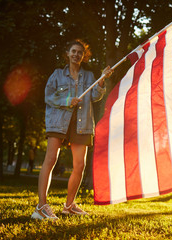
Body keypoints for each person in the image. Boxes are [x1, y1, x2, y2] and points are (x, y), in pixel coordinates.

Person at [31, 39, 113, 220]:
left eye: (80, 53)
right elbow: (48, 96)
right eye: (73, 51)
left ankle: (69, 205)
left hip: (81, 124)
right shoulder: (57, 75)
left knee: (79, 165)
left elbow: (95, 97)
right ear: (67, 54)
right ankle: (41, 206)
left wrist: (101, 81)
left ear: (83, 57)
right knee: (50, 159)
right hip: (58, 122)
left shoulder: (90, 76)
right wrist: (66, 101)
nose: (76, 55)